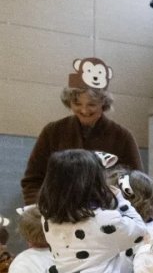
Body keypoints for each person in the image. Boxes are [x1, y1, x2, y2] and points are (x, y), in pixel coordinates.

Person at [21, 59, 142, 204]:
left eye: (92, 104)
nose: (84, 110)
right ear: (69, 102)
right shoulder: (52, 132)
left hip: (108, 212)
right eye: (77, 103)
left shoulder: (122, 137)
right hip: (57, 212)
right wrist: (39, 207)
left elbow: (136, 184)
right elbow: (32, 180)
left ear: (103, 103)